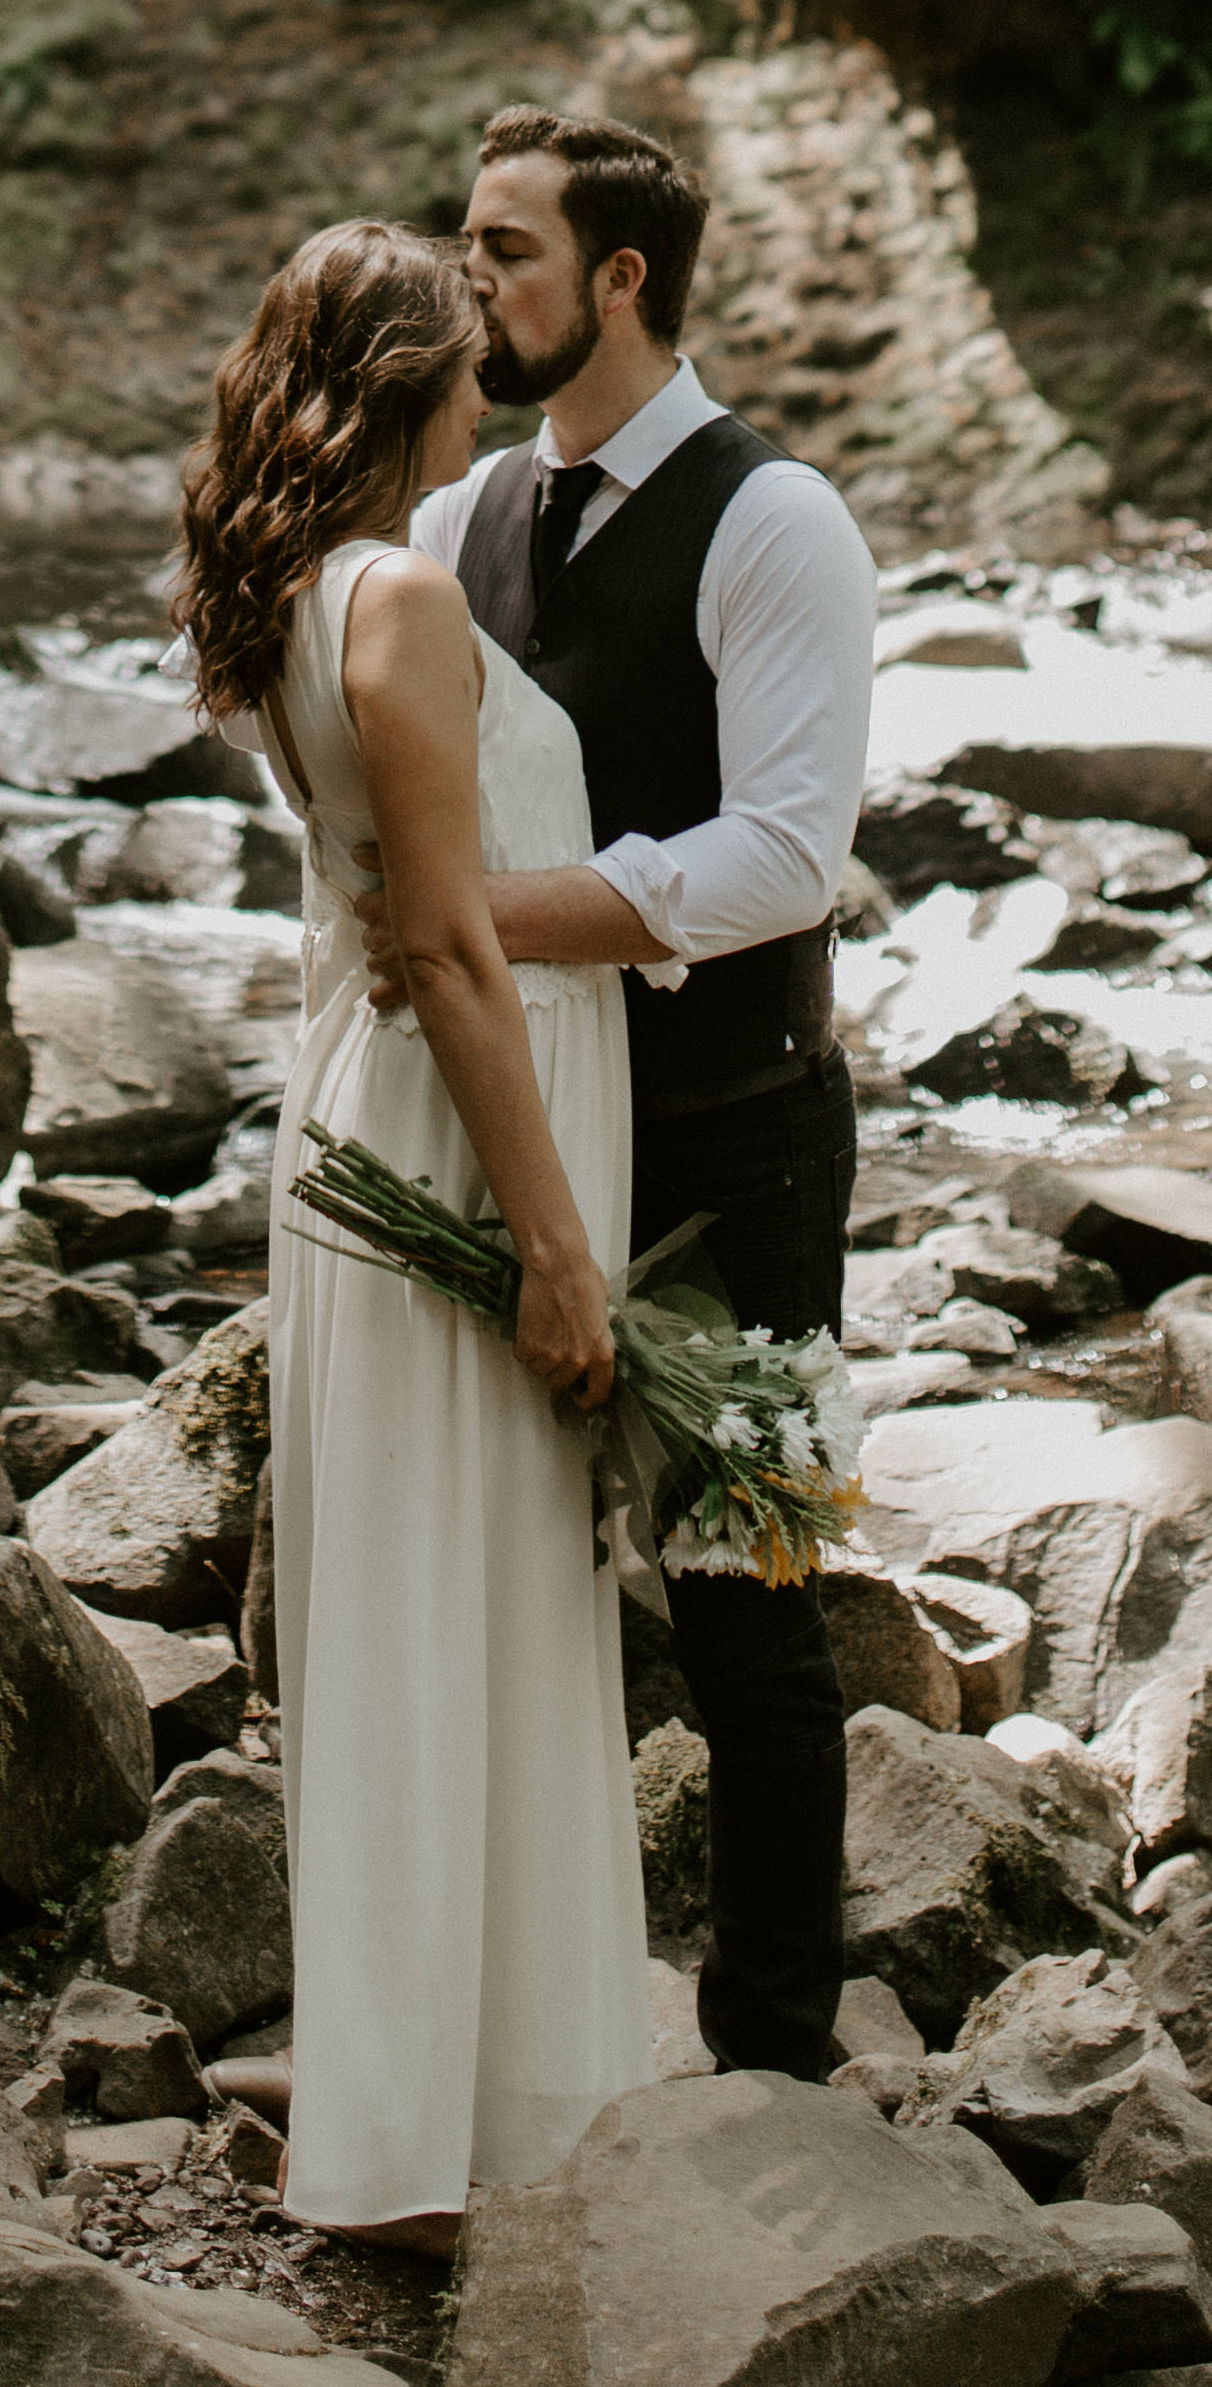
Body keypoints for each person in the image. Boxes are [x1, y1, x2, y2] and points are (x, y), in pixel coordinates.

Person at [372, 105, 877, 2085]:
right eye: (468, 242)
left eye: (503, 250)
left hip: (747, 1151)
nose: (466, 282)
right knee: (493, 1592)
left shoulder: (779, 522)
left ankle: (773, 2061)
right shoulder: (450, 526)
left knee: (754, 1598)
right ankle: (506, 2032)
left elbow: (785, 863)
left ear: (623, 281)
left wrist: (479, 920)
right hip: (516, 1140)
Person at [170, 218, 657, 2254]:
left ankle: (449, 2088)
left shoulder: (295, 588)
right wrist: (554, 1245)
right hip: (460, 1136)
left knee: (424, 1604)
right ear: (395, 391)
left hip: (385, 1122)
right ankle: (438, 2137)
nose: (490, 390)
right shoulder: (399, 605)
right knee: (465, 1604)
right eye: (462, 364)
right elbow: (452, 951)